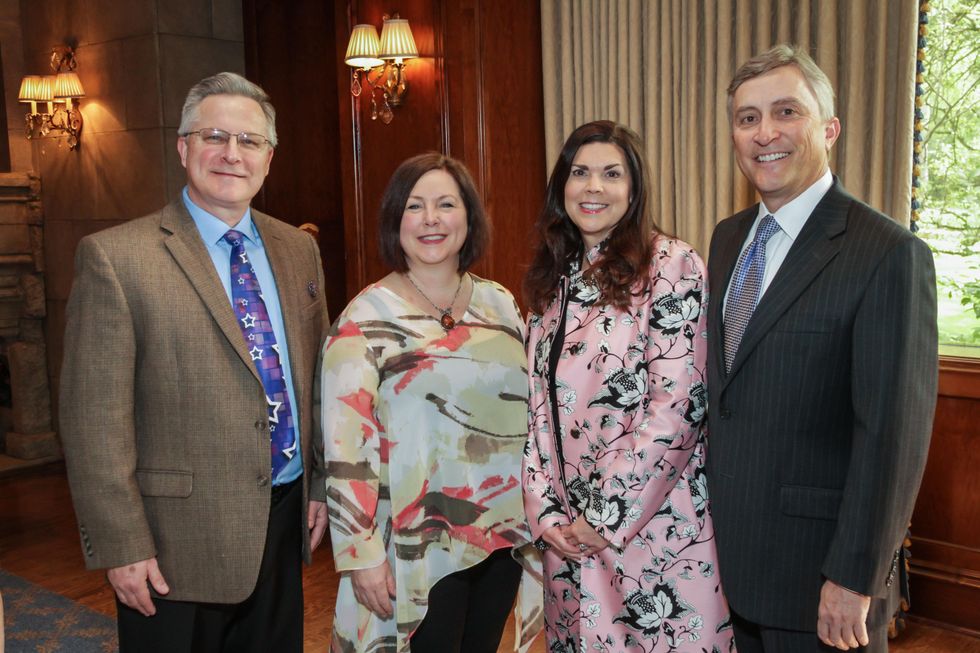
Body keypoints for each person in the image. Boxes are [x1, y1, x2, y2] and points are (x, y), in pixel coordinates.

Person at [59, 72, 329, 652]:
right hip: (173, 545)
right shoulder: (116, 258)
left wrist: (318, 486)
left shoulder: (297, 248)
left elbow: (313, 381)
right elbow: (93, 421)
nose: (232, 154)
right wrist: (121, 544)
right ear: (183, 148)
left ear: (269, 157)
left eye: (250, 141)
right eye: (214, 136)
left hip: (283, 522)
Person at [705, 44, 938, 652]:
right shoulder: (728, 239)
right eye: (747, 117)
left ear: (828, 129)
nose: (765, 133)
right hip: (733, 568)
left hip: (822, 583)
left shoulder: (887, 254)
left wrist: (853, 578)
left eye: (787, 112)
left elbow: (892, 438)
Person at [522, 120, 734, 651]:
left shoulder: (672, 265)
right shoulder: (552, 280)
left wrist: (604, 516)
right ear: (561, 188)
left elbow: (679, 407)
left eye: (611, 174)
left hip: (652, 531)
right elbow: (532, 411)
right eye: (580, 173)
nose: (593, 187)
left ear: (634, 189)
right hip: (566, 543)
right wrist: (546, 514)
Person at [320, 153, 542, 653]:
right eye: (415, 206)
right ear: (395, 220)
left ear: (469, 217)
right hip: (413, 547)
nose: (432, 219)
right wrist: (361, 556)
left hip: (501, 536)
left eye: (446, 204)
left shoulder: (500, 304)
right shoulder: (363, 319)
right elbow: (344, 448)